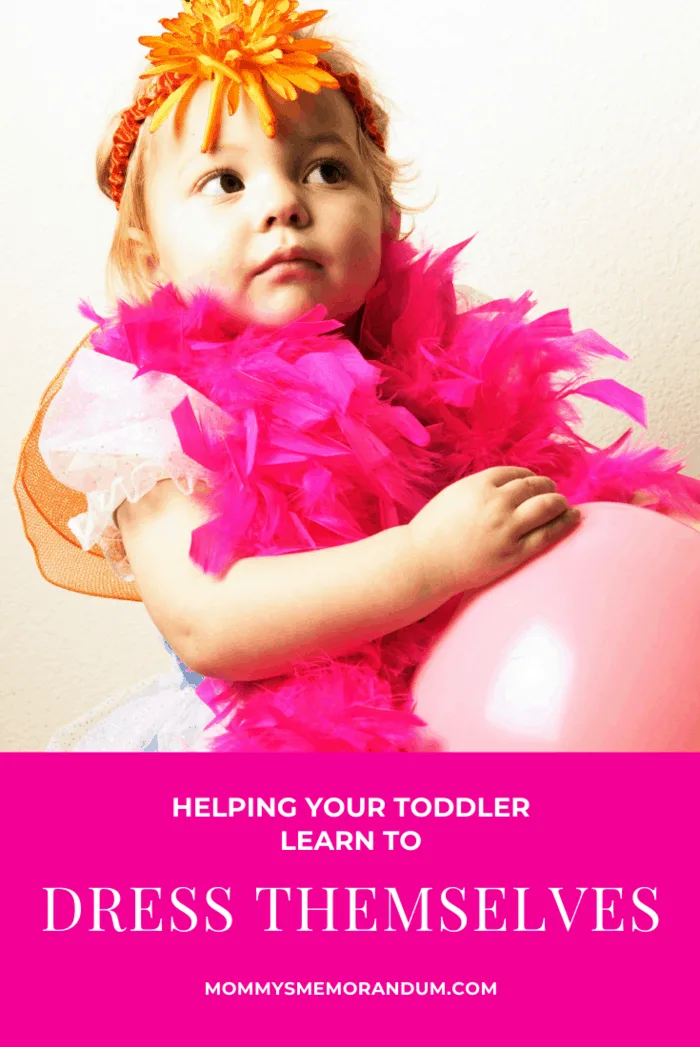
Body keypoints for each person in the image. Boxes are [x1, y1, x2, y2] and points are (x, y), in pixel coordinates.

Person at [16, 0, 700, 752]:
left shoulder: (441, 357)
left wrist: (589, 517)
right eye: (223, 181)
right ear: (150, 256)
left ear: (385, 217)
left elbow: (507, 507)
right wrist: (424, 560)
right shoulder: (153, 408)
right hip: (277, 753)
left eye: (324, 169)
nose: (281, 203)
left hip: (473, 711)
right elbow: (205, 621)